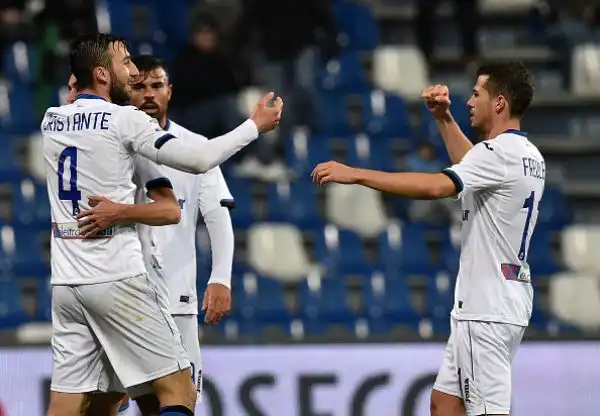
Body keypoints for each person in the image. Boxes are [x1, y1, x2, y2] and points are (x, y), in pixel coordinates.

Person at [44, 33, 282, 416]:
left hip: (67, 281)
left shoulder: (52, 120)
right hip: (117, 275)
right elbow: (201, 159)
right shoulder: (127, 121)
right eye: (126, 65)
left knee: (70, 404)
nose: (134, 71)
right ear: (102, 74)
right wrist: (253, 126)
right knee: (178, 392)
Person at [312, 62, 541, 416]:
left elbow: (439, 185)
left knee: (487, 411)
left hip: (486, 307)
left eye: (476, 94)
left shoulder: (497, 154)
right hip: (503, 298)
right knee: (444, 404)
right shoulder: (528, 156)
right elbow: (473, 166)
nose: (468, 101)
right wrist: (444, 119)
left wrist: (356, 174)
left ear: (499, 103)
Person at [113, 54, 236, 415]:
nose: (149, 94)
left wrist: (221, 278)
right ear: (127, 91)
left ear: (170, 90)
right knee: (112, 401)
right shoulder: (113, 141)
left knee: (179, 402)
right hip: (125, 293)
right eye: (139, 87)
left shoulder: (197, 145)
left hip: (177, 298)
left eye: (156, 86)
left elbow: (216, 215)